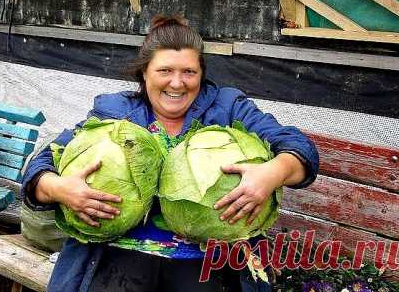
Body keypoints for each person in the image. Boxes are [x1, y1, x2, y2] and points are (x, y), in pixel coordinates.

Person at [22, 15, 319, 292]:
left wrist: (272, 173)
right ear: (144, 73)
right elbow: (42, 166)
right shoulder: (115, 112)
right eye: (165, 71)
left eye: (189, 72)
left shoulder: (228, 108)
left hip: (207, 262)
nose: (177, 83)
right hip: (115, 256)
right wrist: (61, 189)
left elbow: (298, 148)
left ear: (201, 74)